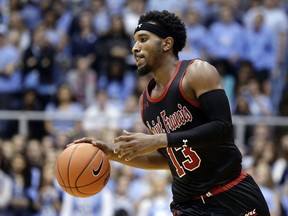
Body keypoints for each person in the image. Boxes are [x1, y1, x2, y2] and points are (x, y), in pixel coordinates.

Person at [72, 10, 270, 215]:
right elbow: (169, 159)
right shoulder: (145, 102)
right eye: (134, 42)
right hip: (188, 205)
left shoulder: (197, 72)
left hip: (232, 193)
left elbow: (222, 129)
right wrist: (112, 154)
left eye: (143, 39)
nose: (134, 48)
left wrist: (160, 139)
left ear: (167, 44)